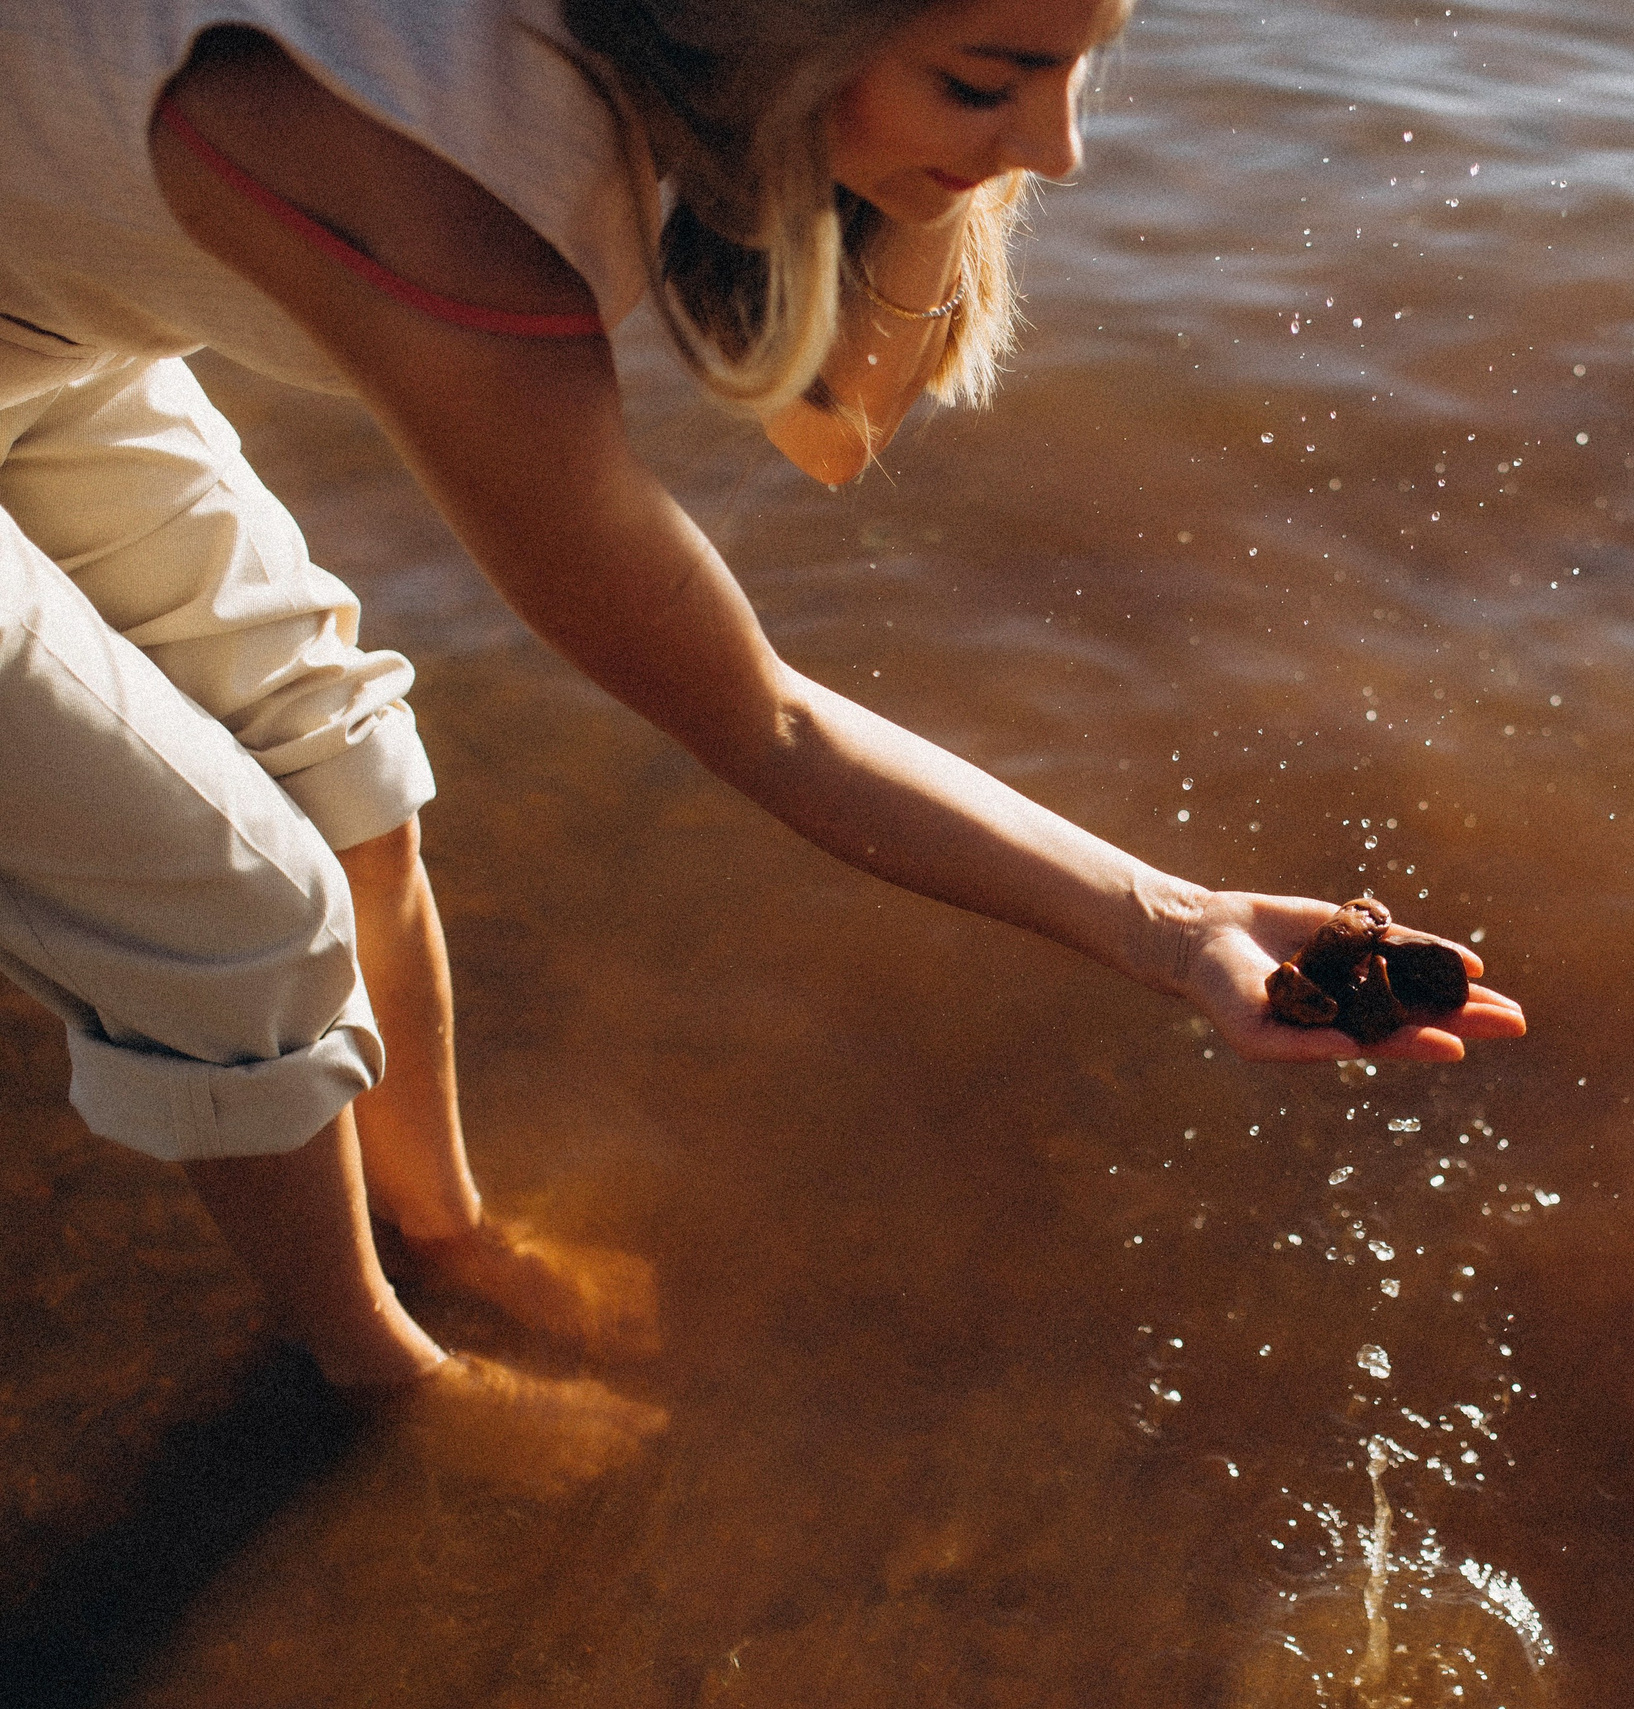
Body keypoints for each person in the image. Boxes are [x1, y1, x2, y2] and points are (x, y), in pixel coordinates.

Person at [0, 0, 1525, 1437]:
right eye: (988, 78)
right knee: (240, 910)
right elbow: (764, 724)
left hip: (54, 340)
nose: (1060, 151)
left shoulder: (678, 56)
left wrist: (944, 138)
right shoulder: (459, 213)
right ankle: (380, 1375)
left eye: (1079, 62)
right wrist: (1173, 926)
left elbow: (830, 424)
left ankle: (443, 1232)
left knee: (346, 765)